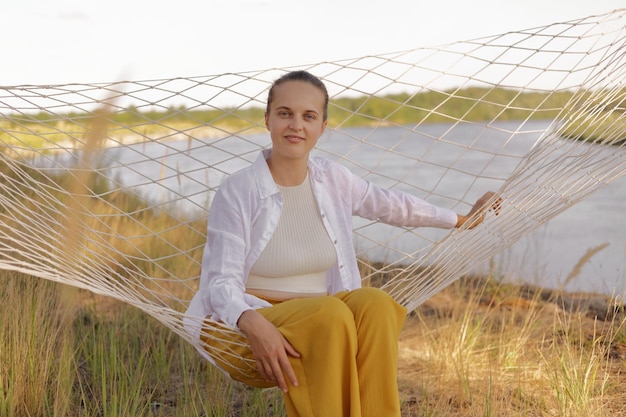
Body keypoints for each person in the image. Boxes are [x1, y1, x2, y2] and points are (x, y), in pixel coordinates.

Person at [185, 70, 500, 417]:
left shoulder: (332, 179)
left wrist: (460, 220)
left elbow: (391, 205)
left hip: (321, 321)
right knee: (332, 313)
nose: (296, 125)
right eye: (285, 113)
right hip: (243, 327)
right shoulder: (238, 190)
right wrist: (252, 320)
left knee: (376, 304)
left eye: (309, 116)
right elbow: (220, 283)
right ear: (268, 119)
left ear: (322, 126)